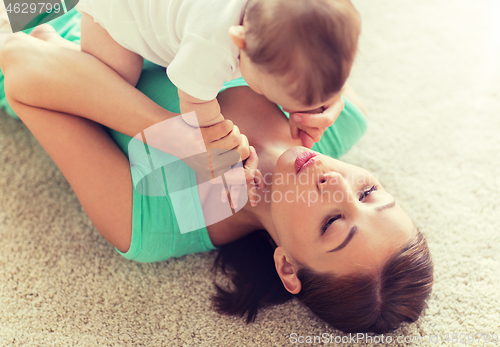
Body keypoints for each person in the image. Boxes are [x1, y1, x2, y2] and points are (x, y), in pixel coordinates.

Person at [0, 11, 433, 334]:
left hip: (32, 14)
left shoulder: (152, 222)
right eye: (369, 192)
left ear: (288, 266)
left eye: (333, 222)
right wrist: (326, 91)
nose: (336, 183)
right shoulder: (336, 116)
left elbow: (18, 63)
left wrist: (181, 137)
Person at [75, 0, 361, 147]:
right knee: (112, 83)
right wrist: (217, 134)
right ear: (240, 41)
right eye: (266, 89)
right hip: (119, 12)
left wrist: (319, 95)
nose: (289, 109)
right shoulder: (213, 45)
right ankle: (51, 43)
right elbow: (195, 103)